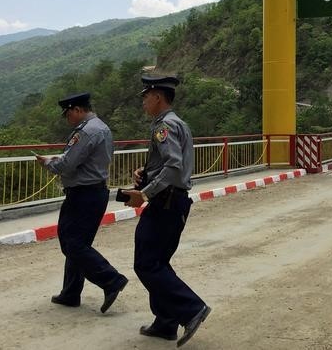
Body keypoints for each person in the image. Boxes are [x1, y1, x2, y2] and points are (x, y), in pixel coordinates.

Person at [121, 75, 211, 347]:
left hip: (166, 203)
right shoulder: (175, 123)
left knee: (146, 263)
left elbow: (173, 168)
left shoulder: (165, 126)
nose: (144, 101)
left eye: (146, 96)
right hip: (172, 201)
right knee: (157, 261)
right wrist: (146, 173)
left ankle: (191, 308)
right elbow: (171, 165)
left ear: (157, 97)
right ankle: (166, 322)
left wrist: (144, 194)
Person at [35, 92, 128, 314]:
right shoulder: (101, 127)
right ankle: (71, 292)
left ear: (77, 110)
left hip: (83, 194)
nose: (67, 119)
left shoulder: (86, 131)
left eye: (68, 114)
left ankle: (111, 280)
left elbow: (67, 164)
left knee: (72, 243)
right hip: (93, 192)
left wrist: (48, 163)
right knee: (76, 243)